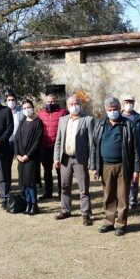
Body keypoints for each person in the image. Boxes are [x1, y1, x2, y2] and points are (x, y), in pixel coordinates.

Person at [90, 97, 140, 236]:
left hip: (124, 166)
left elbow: (136, 148)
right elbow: (94, 147)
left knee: (123, 196)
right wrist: (94, 167)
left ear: (120, 109)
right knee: (108, 195)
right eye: (110, 110)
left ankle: (121, 224)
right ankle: (108, 222)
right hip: (105, 166)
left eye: (115, 110)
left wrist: (136, 169)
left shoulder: (128, 125)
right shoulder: (100, 125)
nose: (113, 112)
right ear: (106, 111)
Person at [53, 96, 95, 226]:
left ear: (80, 104)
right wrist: (56, 158)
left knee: (83, 189)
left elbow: (92, 143)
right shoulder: (63, 120)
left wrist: (90, 160)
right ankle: (65, 210)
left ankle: (86, 214)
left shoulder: (88, 120)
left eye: (76, 103)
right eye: (71, 104)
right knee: (64, 187)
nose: (74, 105)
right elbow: (58, 140)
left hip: (80, 159)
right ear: (67, 106)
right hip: (65, 159)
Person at [15, 99, 43, 215]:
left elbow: (37, 141)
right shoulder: (22, 122)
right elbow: (17, 139)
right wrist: (17, 154)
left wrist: (28, 155)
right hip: (21, 157)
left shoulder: (38, 122)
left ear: (33, 107)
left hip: (32, 158)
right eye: (24, 108)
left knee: (31, 182)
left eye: (29, 107)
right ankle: (27, 203)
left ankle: (34, 204)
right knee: (24, 182)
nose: (27, 110)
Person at [38, 94, 69, 200]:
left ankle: (62, 192)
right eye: (48, 102)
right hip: (44, 146)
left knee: (60, 171)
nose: (50, 104)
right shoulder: (41, 114)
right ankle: (48, 192)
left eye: (52, 102)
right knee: (47, 171)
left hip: (58, 148)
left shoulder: (64, 113)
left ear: (56, 102)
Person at [120, 94, 140, 209]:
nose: (128, 104)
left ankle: (133, 200)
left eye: (131, 102)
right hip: (120, 152)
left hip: (135, 152)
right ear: (122, 103)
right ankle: (120, 199)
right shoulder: (117, 117)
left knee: (134, 177)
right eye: (126, 102)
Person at [6, 92, 25, 192]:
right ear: (6, 102)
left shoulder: (22, 112)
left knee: (21, 164)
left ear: (16, 101)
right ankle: (8, 185)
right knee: (7, 165)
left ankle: (22, 185)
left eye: (13, 100)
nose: (11, 102)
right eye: (9, 100)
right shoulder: (4, 112)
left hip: (19, 143)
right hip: (8, 143)